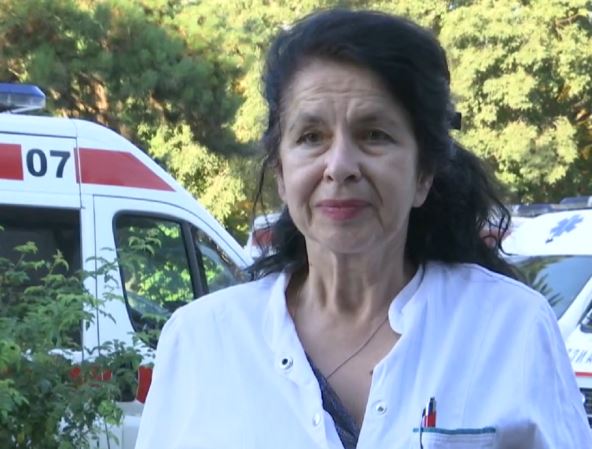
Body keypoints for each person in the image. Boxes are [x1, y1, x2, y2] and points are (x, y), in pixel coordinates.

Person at [135, 9, 592, 449]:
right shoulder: (203, 341)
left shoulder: (511, 329)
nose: (340, 166)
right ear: (281, 173)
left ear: (423, 174)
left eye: (374, 135)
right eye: (311, 137)